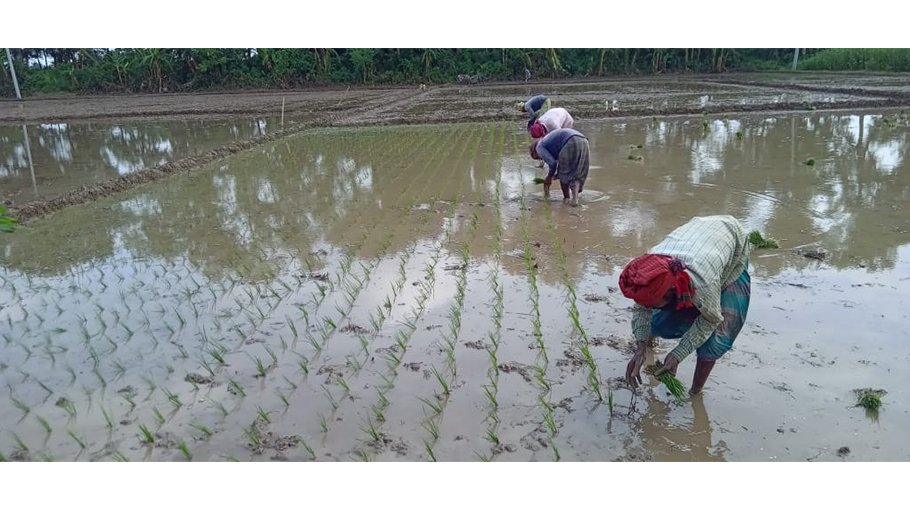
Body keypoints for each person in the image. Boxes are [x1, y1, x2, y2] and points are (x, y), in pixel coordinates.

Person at [620, 215, 752, 395]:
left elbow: (710, 320)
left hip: (731, 244)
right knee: (660, 322)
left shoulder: (703, 285)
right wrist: (640, 347)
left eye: (653, 304)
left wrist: (677, 354)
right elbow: (641, 308)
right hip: (698, 235)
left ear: (672, 292)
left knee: (717, 336)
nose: (647, 306)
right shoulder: (649, 269)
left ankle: (695, 392)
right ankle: (649, 344)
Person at [529, 128, 589, 206]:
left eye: (538, 157)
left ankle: (566, 199)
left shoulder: (539, 147)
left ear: (534, 151)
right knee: (576, 173)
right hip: (583, 140)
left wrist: (549, 177)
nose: (541, 159)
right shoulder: (549, 142)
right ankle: (575, 198)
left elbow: (553, 163)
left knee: (563, 174)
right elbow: (562, 163)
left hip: (570, 141)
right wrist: (556, 174)